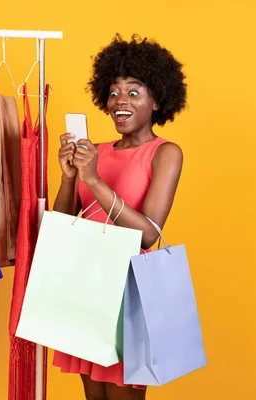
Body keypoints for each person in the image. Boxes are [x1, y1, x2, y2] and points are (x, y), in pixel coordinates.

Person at [52, 34, 187, 400]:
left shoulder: (165, 153)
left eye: (133, 92)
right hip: (85, 283)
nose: (120, 102)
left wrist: (93, 180)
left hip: (129, 291)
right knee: (93, 396)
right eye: (113, 93)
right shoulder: (94, 151)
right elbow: (61, 225)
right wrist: (69, 178)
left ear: (157, 99)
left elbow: (149, 235)